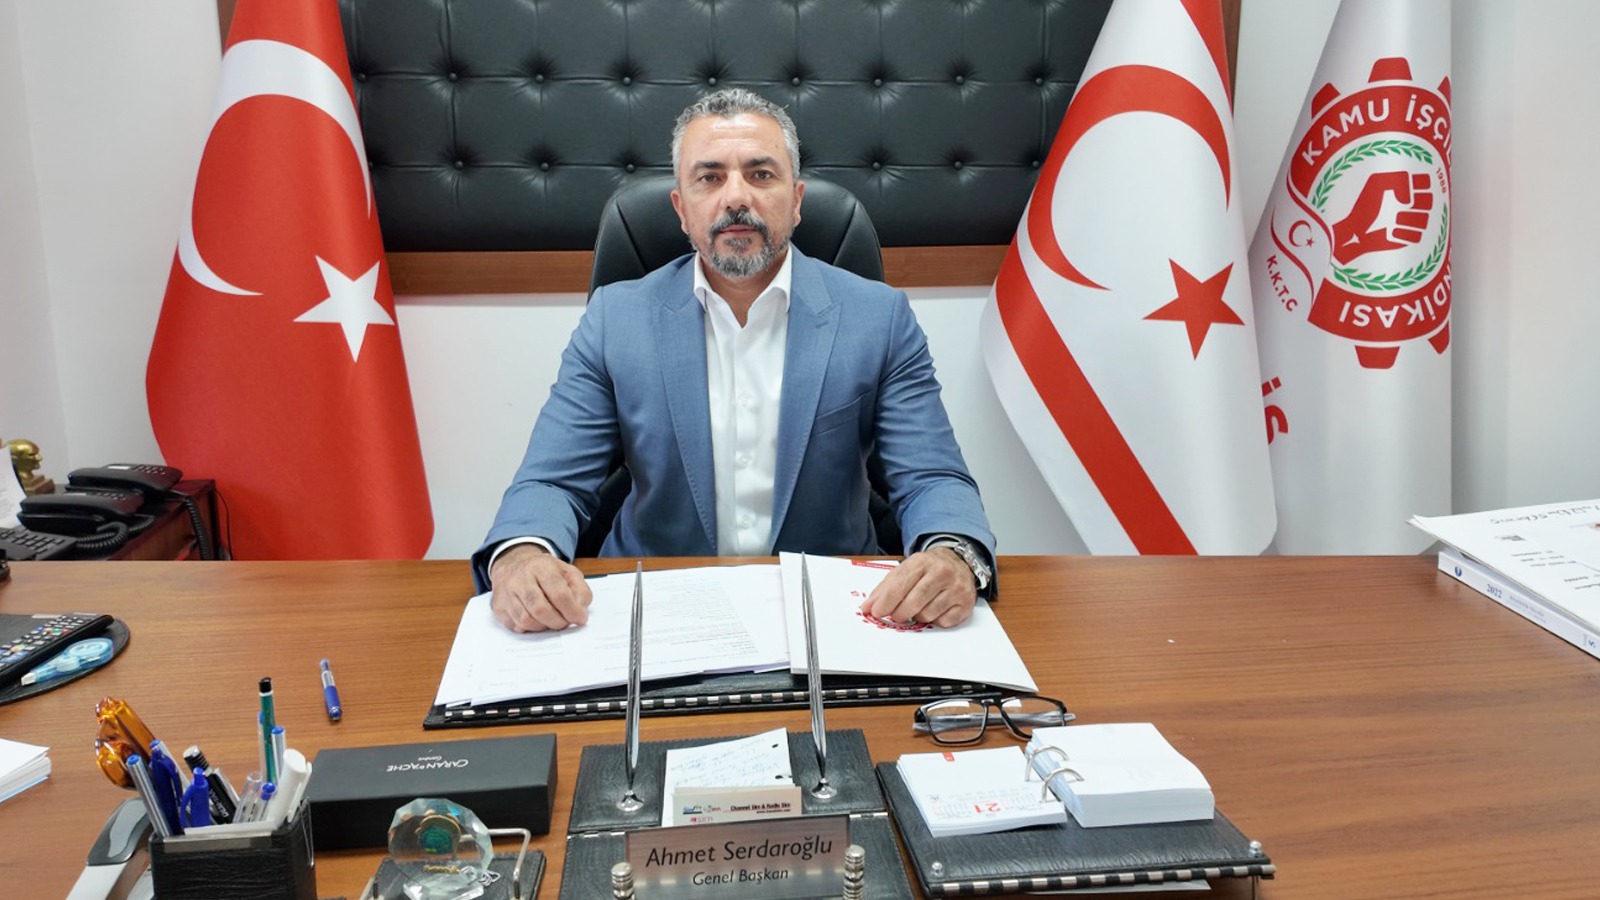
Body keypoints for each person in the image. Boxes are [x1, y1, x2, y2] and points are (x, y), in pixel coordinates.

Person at [472, 88, 994, 633]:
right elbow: (552, 481)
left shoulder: (879, 318)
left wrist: (953, 553)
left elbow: (932, 477)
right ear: (681, 209)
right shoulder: (615, 319)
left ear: (796, 201)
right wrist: (522, 554)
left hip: (834, 611)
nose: (736, 197)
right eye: (710, 177)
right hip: (656, 606)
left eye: (761, 174)